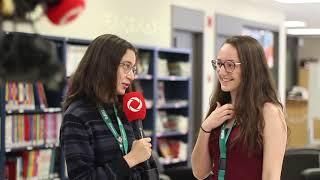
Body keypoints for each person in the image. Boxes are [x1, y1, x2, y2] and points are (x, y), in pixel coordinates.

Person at [60, 34, 158, 179]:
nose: (131, 76)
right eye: (126, 66)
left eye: (133, 69)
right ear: (104, 65)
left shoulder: (124, 108)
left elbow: (141, 163)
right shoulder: (76, 116)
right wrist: (131, 159)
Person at [191, 35, 287, 180]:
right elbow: (199, 172)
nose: (221, 72)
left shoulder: (269, 113)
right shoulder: (219, 109)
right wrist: (205, 127)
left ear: (250, 68)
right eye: (219, 64)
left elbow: (270, 176)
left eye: (230, 65)